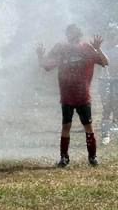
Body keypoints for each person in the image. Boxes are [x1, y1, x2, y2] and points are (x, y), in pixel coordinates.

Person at [37, 24, 109, 166]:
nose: (72, 36)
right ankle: (64, 158)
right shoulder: (61, 48)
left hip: (83, 95)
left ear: (79, 34)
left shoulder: (87, 48)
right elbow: (45, 66)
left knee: (88, 126)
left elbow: (105, 62)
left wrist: (98, 49)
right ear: (67, 35)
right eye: (69, 33)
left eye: (74, 33)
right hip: (67, 96)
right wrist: (40, 55)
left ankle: (92, 157)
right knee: (66, 126)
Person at [99, 31, 118, 145]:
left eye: (114, 37)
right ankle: (106, 134)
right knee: (106, 108)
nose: (112, 39)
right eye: (110, 37)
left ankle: (114, 128)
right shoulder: (103, 50)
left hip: (116, 80)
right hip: (105, 81)